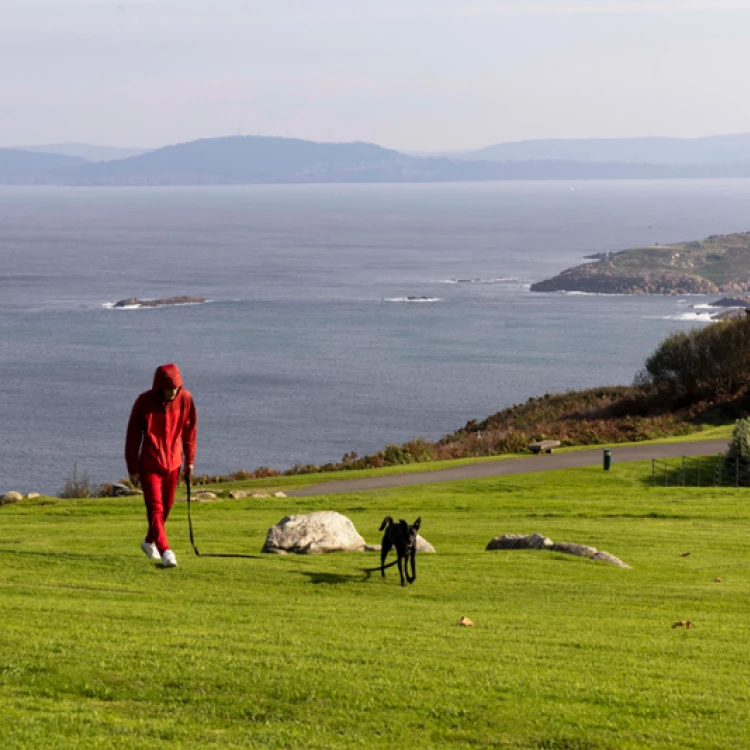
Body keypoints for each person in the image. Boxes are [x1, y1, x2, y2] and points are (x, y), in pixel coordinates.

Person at [125, 363, 197, 568]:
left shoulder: (186, 399)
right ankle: (166, 551)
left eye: (176, 388)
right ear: (159, 386)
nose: (173, 392)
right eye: (169, 388)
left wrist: (190, 460)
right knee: (156, 509)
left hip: (174, 462)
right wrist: (133, 468)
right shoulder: (144, 402)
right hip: (150, 463)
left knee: (167, 507)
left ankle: (149, 542)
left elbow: (190, 431)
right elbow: (132, 436)